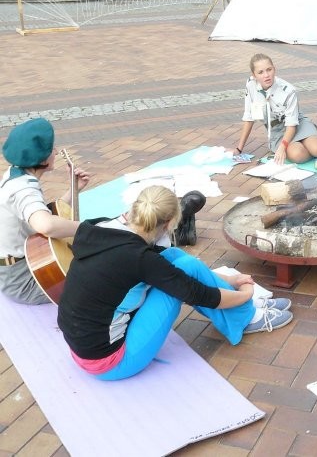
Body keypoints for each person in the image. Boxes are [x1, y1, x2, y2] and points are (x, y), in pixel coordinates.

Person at [57, 185, 293, 381]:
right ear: (169, 224)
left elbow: (170, 270)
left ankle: (243, 314)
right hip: (109, 361)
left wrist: (231, 280)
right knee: (183, 272)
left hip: (84, 345)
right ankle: (245, 316)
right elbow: (199, 294)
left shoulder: (103, 227)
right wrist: (245, 294)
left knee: (173, 257)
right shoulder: (139, 258)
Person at [0, 117, 91, 305]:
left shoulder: (15, 173)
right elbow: (46, 225)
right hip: (22, 279)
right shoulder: (23, 189)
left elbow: (43, 213)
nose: (56, 152)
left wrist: (73, 190)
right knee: (101, 273)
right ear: (42, 160)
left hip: (23, 263)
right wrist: (86, 229)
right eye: (51, 150)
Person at [236, 53, 317, 166]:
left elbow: (292, 124)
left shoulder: (288, 90)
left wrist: (283, 147)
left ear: (274, 69)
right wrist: (239, 149)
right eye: (260, 72)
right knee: (298, 155)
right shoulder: (251, 85)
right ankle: (309, 140)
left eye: (269, 70)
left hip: (296, 124)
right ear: (254, 75)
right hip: (277, 131)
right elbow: (249, 118)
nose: (266, 75)